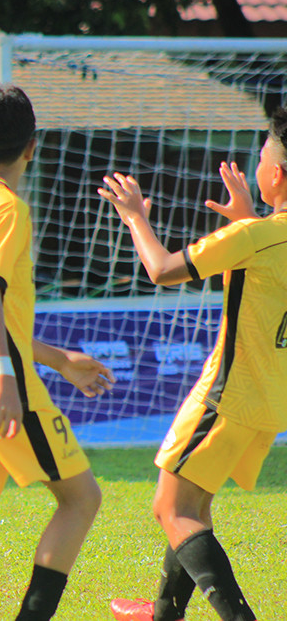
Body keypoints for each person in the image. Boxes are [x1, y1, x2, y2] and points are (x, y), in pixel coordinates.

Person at [0, 81, 116, 621]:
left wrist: (57, 359)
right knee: (81, 500)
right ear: (32, 146)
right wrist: (6, 378)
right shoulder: (6, 209)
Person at [100, 108, 287, 621]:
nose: (258, 164)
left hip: (227, 396)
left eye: (264, 157)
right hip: (270, 400)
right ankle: (164, 612)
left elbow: (160, 269)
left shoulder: (258, 237)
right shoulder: (264, 234)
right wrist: (250, 220)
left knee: (172, 509)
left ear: (278, 174)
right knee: (194, 508)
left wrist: (135, 214)